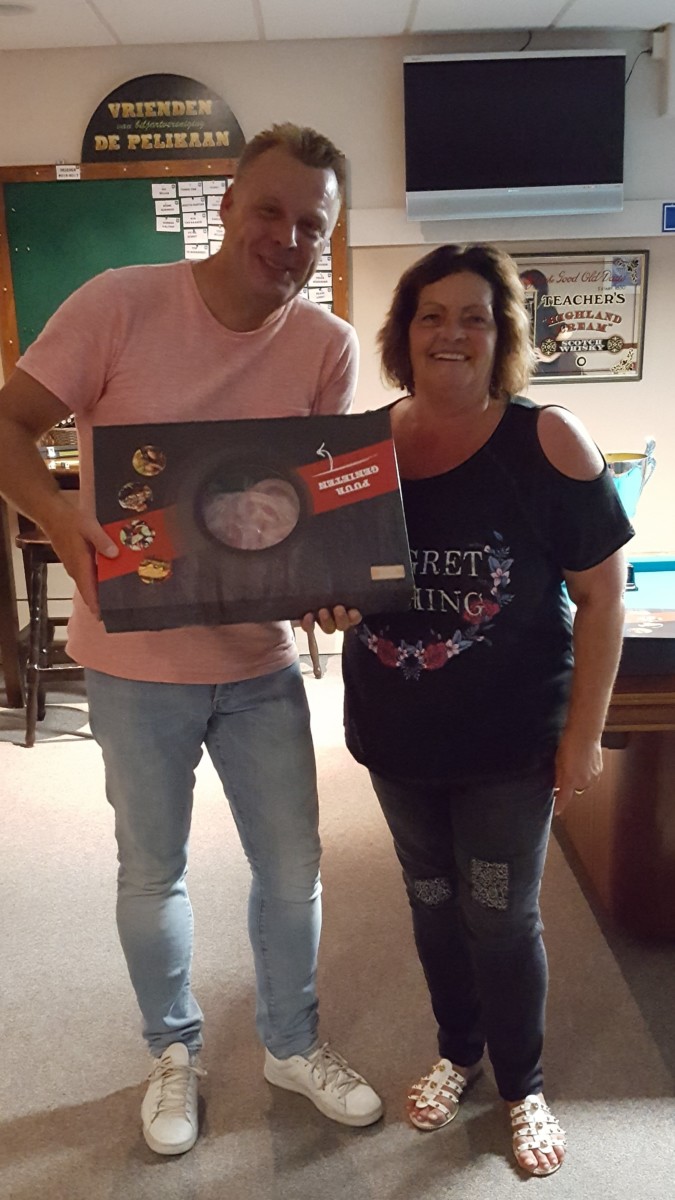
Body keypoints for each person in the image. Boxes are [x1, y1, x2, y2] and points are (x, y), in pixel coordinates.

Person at [0, 123, 382, 1155]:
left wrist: (330, 588)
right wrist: (57, 517)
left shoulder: (326, 346)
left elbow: (311, 513)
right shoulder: (118, 303)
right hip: (134, 664)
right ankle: (172, 1051)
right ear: (226, 206)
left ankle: (291, 1044)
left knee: (293, 869)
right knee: (151, 869)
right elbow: (9, 424)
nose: (287, 238)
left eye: (312, 224)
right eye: (270, 211)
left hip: (259, 664)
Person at [339, 243, 633, 1177]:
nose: (451, 333)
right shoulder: (359, 447)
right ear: (404, 333)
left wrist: (583, 735)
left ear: (503, 333)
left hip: (507, 746)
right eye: (431, 315)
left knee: (498, 917)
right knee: (431, 904)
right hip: (395, 738)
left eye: (474, 316)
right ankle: (457, 1051)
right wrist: (323, 602)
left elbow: (602, 597)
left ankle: (523, 1085)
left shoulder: (548, 440)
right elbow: (331, 580)